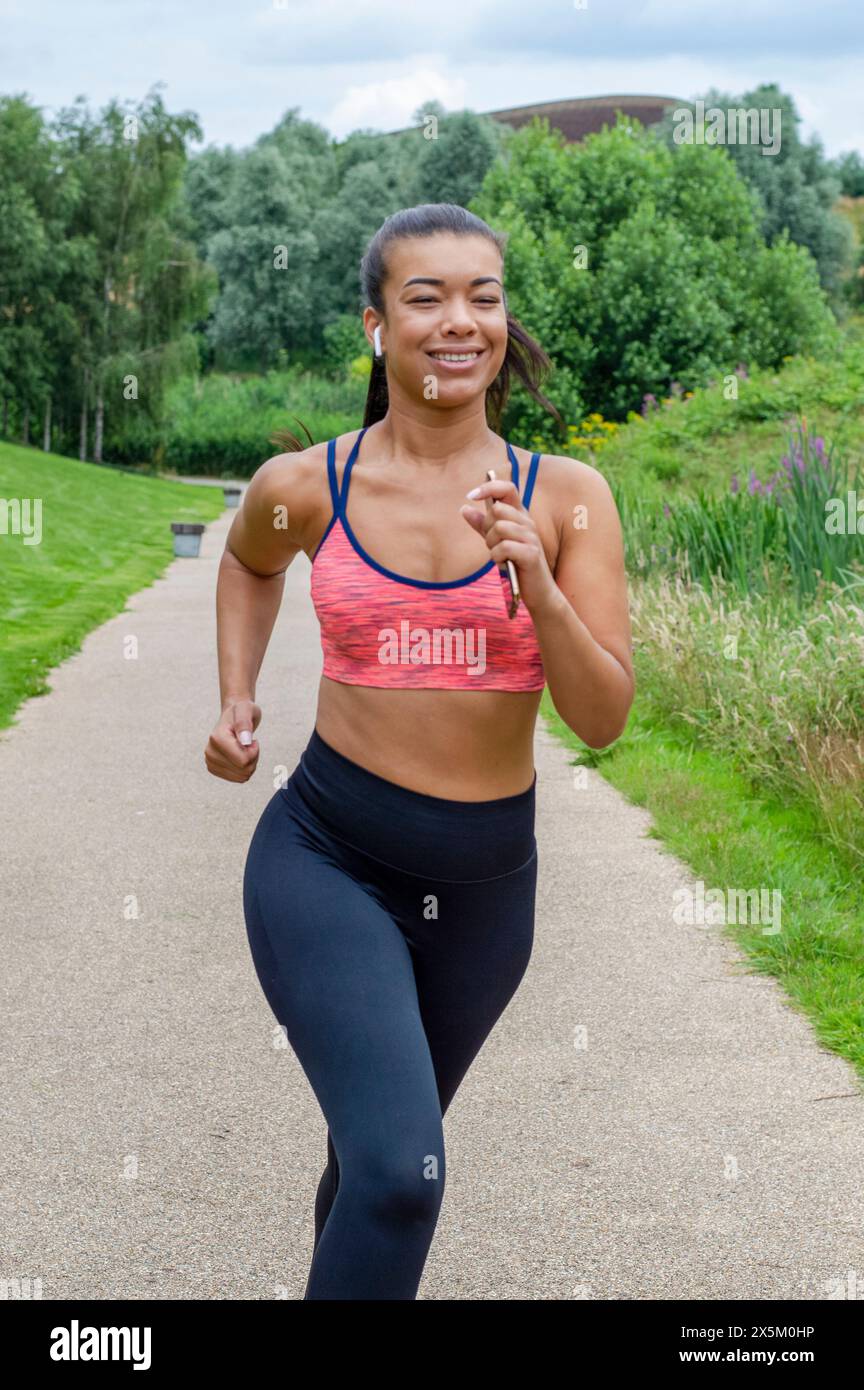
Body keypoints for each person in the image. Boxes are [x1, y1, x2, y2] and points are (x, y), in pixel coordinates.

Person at [205, 203, 634, 1299]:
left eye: (483, 296)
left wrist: (537, 582)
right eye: (425, 296)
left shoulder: (569, 500)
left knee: (372, 1163)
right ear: (375, 325)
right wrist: (237, 696)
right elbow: (250, 562)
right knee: (403, 1172)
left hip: (486, 891)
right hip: (328, 857)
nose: (460, 320)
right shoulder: (312, 485)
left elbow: (603, 716)